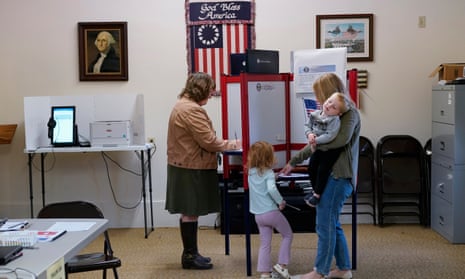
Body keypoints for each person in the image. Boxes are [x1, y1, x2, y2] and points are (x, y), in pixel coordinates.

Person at [281, 73, 360, 279]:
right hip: (331, 177)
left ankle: (320, 272)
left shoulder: (350, 114)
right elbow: (317, 144)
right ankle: (343, 269)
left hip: (339, 177)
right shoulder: (328, 116)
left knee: (324, 225)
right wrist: (293, 162)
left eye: (320, 94)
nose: (318, 99)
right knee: (331, 224)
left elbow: (337, 141)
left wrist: (314, 141)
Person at [165, 72, 240, 270]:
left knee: (190, 211)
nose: (213, 93)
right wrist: (234, 144)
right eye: (210, 90)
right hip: (191, 167)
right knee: (190, 211)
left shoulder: (183, 104)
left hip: (185, 163)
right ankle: (189, 256)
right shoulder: (191, 110)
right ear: (201, 91)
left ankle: (192, 252)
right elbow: (209, 141)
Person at [247, 141, 293, 279]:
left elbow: (261, 182)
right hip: (271, 213)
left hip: (258, 215)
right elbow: (271, 189)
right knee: (287, 235)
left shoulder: (250, 172)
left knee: (265, 243)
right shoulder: (269, 173)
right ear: (269, 158)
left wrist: (275, 176)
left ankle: (265, 273)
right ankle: (282, 265)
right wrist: (281, 202)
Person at [303, 92, 349, 207]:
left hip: (330, 150)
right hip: (318, 146)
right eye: (329, 101)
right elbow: (307, 126)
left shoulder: (334, 120)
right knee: (312, 167)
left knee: (322, 170)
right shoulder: (315, 114)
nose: (328, 106)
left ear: (339, 113)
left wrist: (316, 140)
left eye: (334, 107)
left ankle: (317, 194)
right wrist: (309, 134)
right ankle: (315, 190)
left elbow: (330, 135)